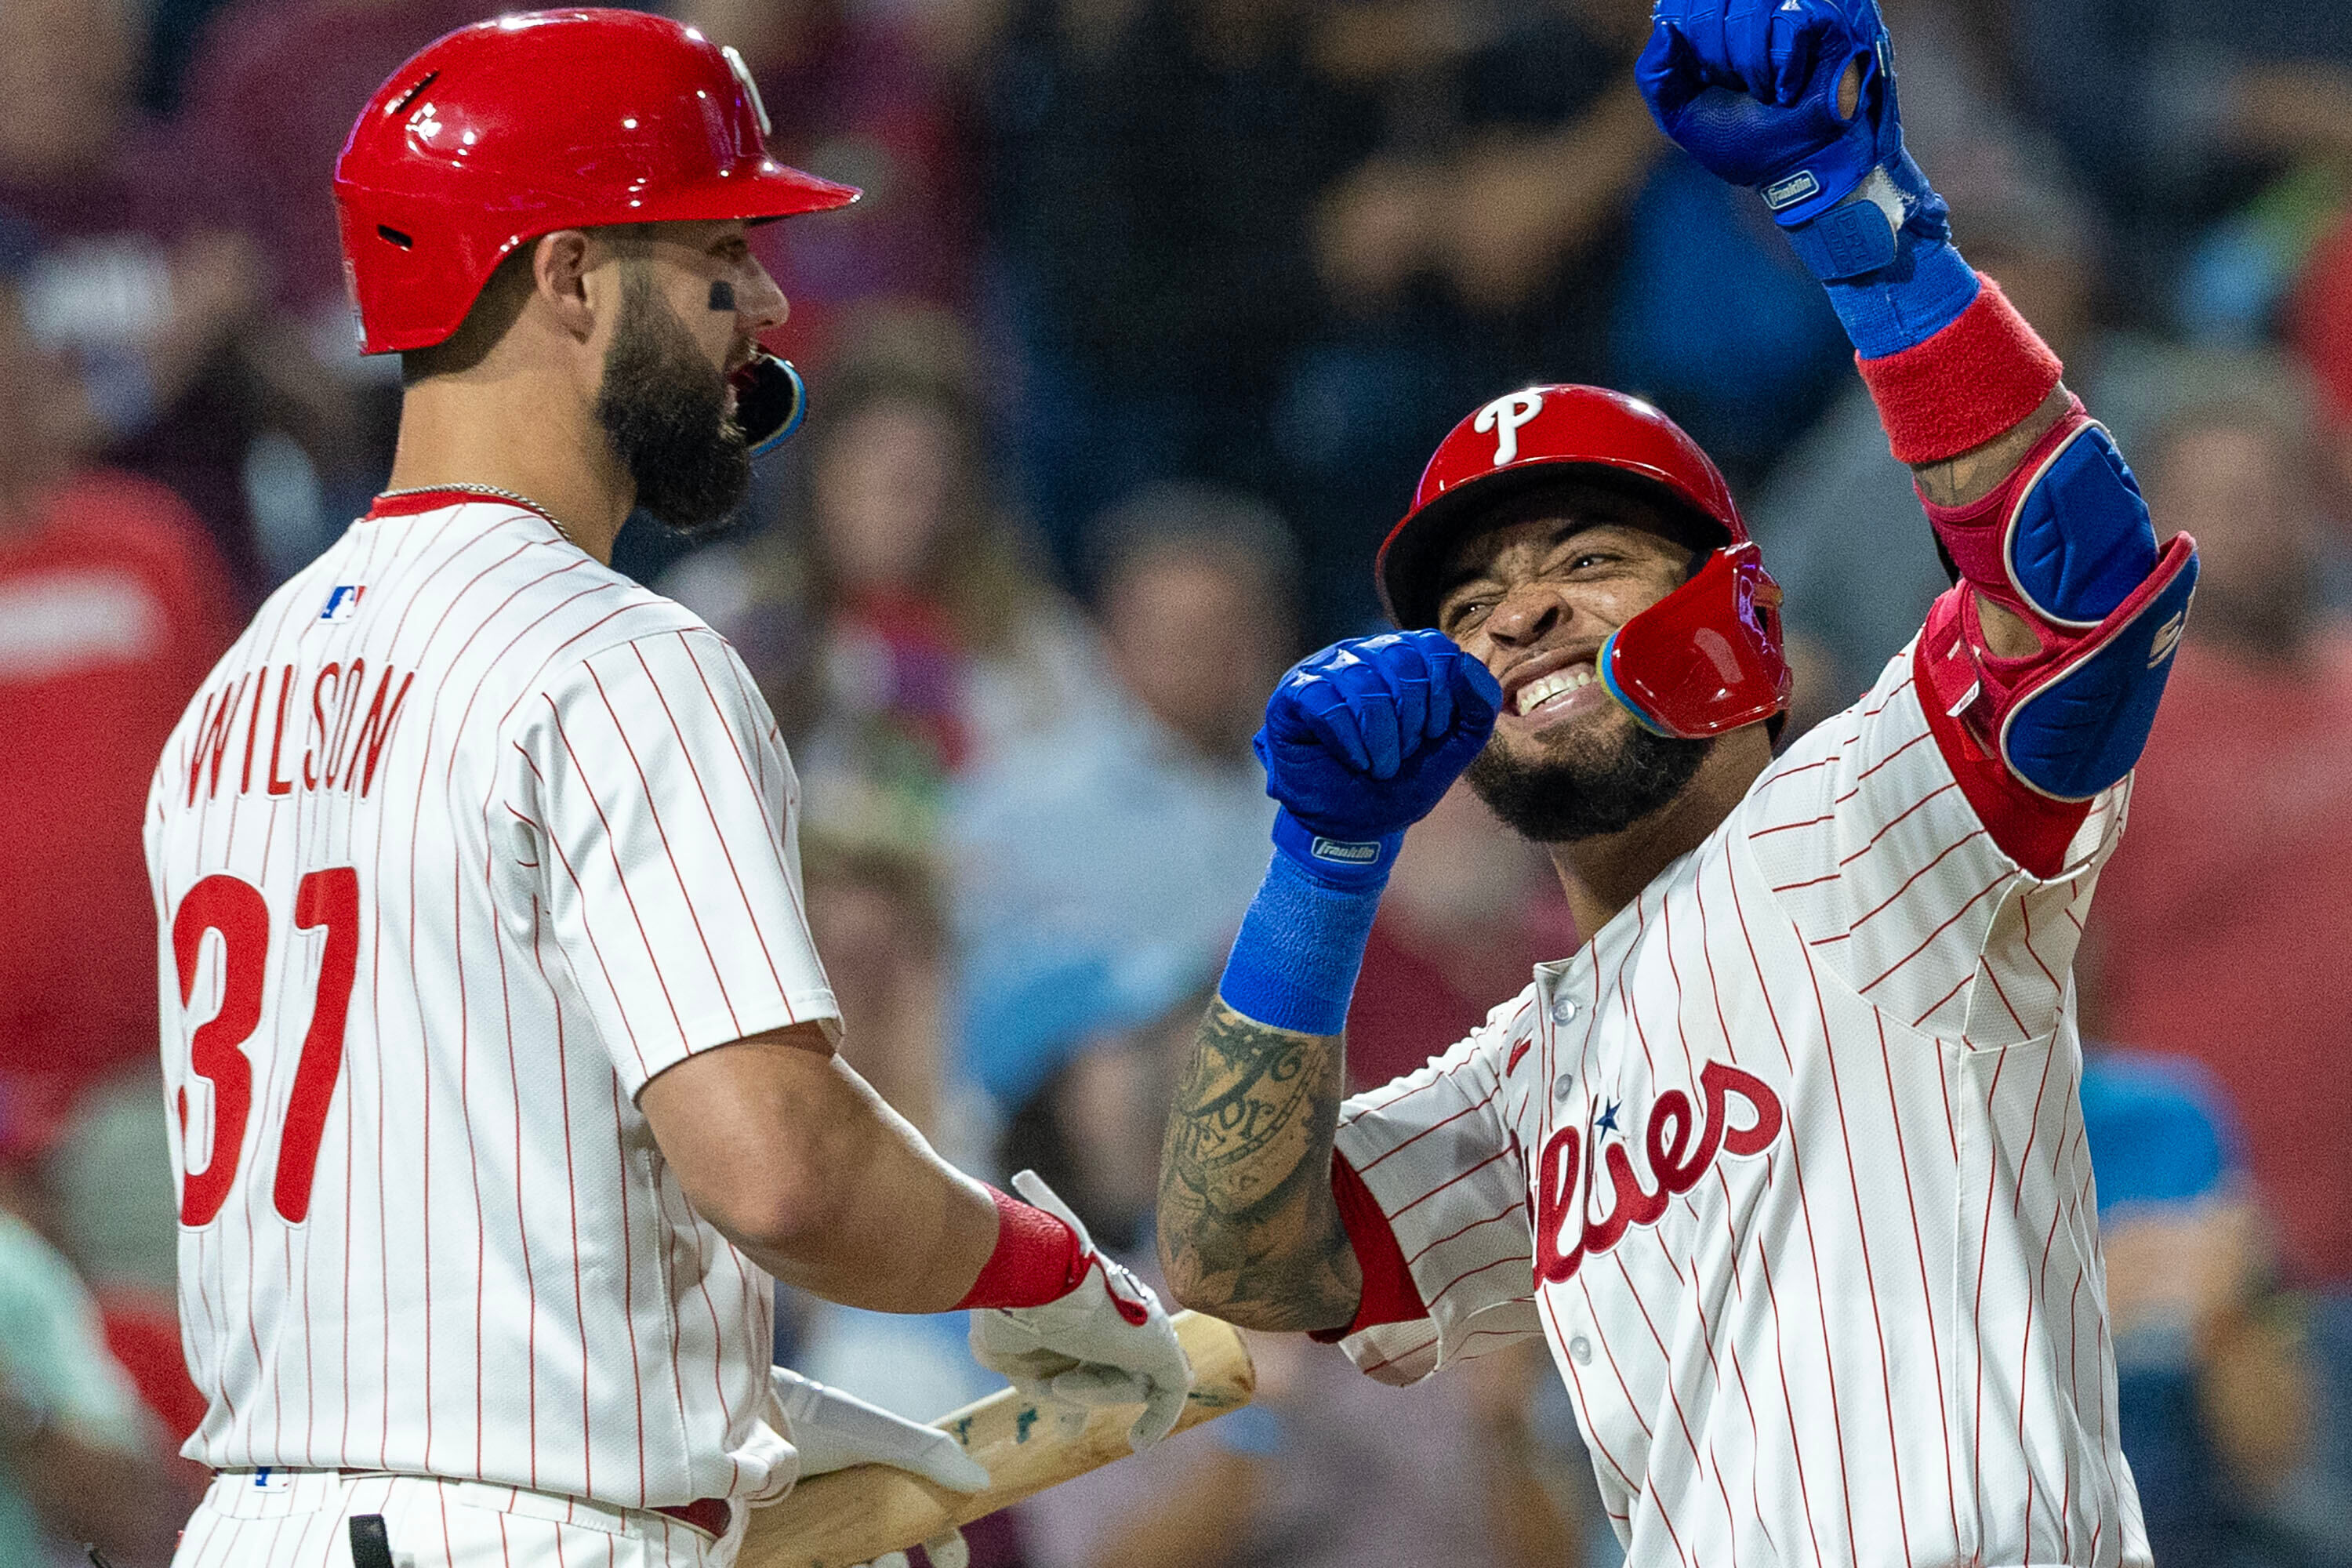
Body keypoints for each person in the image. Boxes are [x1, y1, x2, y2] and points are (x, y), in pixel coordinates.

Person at [1156, 2, 2201, 1563]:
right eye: (1468, 607)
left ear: (1741, 617)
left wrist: (1867, 237)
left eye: (1588, 559)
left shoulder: (1875, 811)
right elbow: (1241, 1261)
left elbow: (2082, 596)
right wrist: (1318, 873)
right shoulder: (1526, 1079)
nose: (1518, 613)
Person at [144, 13, 1189, 1566]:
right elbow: (784, 1163)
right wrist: (1054, 1269)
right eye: (717, 257)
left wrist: (728, 1440)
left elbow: (474, 1230)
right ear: (568, 275)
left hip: (262, 1520)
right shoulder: (619, 655)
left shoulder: (241, 681)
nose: (769, 306)